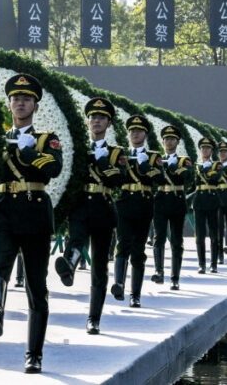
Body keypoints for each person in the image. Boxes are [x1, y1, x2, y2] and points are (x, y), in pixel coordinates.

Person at [0, 73, 63, 374]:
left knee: (36, 286)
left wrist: (29, 150)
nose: (20, 103)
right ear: (9, 104)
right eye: (16, 99)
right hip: (3, 209)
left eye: (26, 99)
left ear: (35, 106)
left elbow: (52, 168)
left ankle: (34, 353)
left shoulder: (46, 139)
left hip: (35, 212)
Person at [53, 96, 126, 334]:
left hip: (103, 208)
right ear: (87, 121)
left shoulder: (116, 153)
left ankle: (94, 318)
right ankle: (69, 268)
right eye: (93, 117)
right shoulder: (78, 149)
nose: (96, 121)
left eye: (101, 118)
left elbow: (117, 179)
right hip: (80, 205)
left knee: (99, 267)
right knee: (75, 240)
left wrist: (102, 158)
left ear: (108, 124)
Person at [110, 114, 162, 308]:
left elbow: (159, 178)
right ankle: (119, 284)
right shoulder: (120, 155)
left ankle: (136, 294)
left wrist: (146, 165)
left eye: (139, 131)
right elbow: (114, 177)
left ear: (145, 134)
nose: (135, 134)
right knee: (122, 243)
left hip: (144, 203)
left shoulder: (153, 156)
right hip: (124, 202)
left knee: (138, 250)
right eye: (132, 131)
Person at [152, 125, 192, 290]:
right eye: (166, 139)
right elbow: (153, 177)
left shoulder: (184, 160)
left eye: (172, 139)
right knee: (158, 237)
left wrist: (174, 166)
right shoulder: (157, 160)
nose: (169, 142)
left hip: (177, 201)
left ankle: (175, 277)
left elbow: (187, 175)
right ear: (162, 142)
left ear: (177, 142)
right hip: (161, 200)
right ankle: (159, 271)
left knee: (176, 240)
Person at [192, 137, 223, 273]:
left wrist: (206, 170)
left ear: (211, 150)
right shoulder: (195, 165)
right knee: (199, 235)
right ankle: (202, 264)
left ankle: (213, 264)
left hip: (212, 201)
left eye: (208, 148)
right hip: (199, 201)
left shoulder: (217, 165)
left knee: (213, 234)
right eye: (203, 148)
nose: (205, 150)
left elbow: (216, 178)